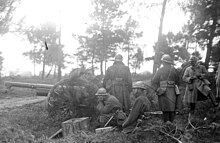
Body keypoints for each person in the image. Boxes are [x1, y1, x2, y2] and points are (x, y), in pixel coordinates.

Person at [152, 54, 181, 123]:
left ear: (164, 62)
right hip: (172, 91)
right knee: (172, 108)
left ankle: (166, 125)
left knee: (165, 109)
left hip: (163, 91)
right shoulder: (174, 70)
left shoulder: (160, 70)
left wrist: (157, 89)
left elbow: (154, 81)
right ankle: (171, 124)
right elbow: (178, 81)